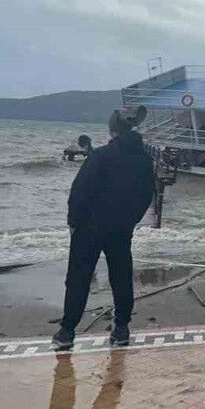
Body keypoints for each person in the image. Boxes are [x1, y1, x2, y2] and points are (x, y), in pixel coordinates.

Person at [52, 106, 155, 350]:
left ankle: (67, 331)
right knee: (121, 276)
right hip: (121, 227)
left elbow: (79, 192)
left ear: (112, 130)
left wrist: (73, 222)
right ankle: (121, 328)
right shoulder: (144, 160)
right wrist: (131, 220)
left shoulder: (100, 156)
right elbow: (146, 194)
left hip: (89, 227)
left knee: (79, 278)